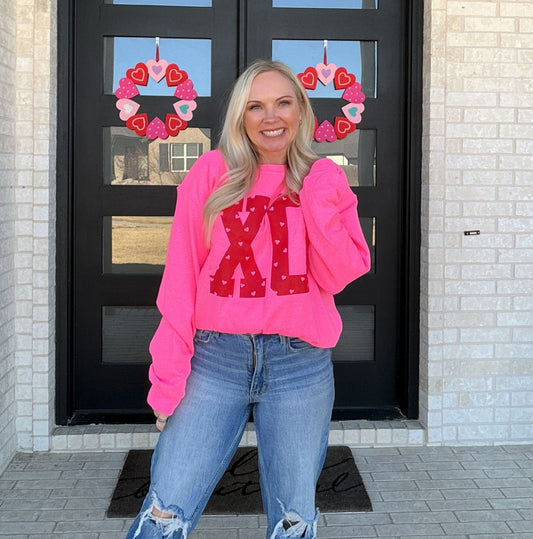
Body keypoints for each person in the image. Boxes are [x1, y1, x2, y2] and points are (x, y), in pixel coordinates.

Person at [125, 59, 371, 539]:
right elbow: (181, 278)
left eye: (283, 103)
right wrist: (167, 377)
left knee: (294, 519)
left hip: (299, 365)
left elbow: (339, 273)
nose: (270, 117)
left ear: (301, 110)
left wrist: (317, 192)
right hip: (215, 358)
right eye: (255, 106)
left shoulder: (324, 179)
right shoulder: (212, 172)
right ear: (241, 116)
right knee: (164, 511)